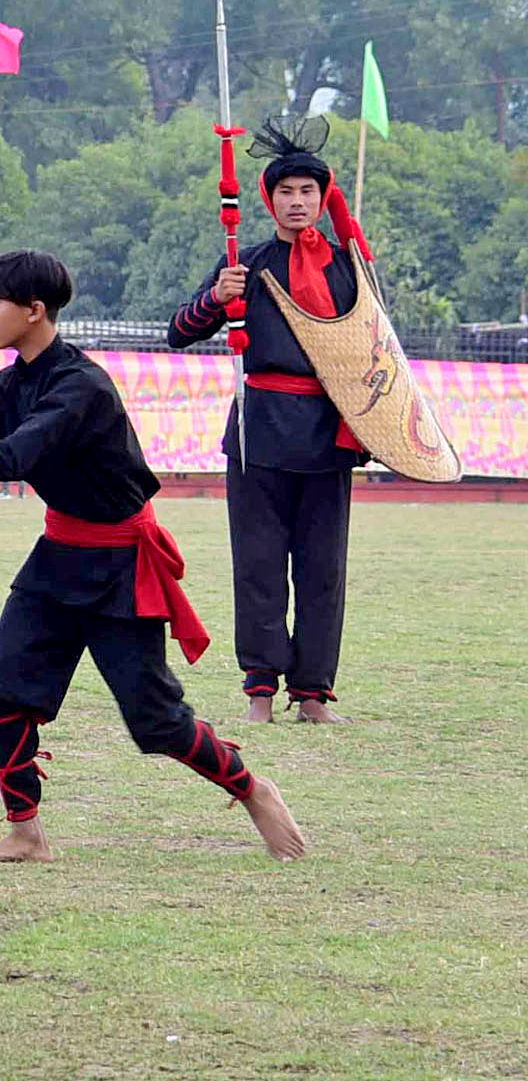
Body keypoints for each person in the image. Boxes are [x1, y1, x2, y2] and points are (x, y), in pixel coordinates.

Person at [0, 250, 305, 863]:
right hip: (58, 556)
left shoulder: (80, 386)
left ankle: (251, 788)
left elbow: (16, 453)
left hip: (121, 565)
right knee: (6, 690)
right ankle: (26, 833)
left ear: (34, 312)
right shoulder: (6, 386)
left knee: (156, 721)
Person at [168, 120, 365, 725]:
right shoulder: (243, 263)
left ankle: (312, 693)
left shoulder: (348, 268)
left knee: (322, 569)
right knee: (257, 564)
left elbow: (377, 348)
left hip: (328, 434)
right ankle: (259, 689)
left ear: (322, 196)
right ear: (269, 199)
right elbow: (178, 333)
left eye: (308, 191)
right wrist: (216, 299)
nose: (297, 202)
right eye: (286, 192)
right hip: (258, 433)